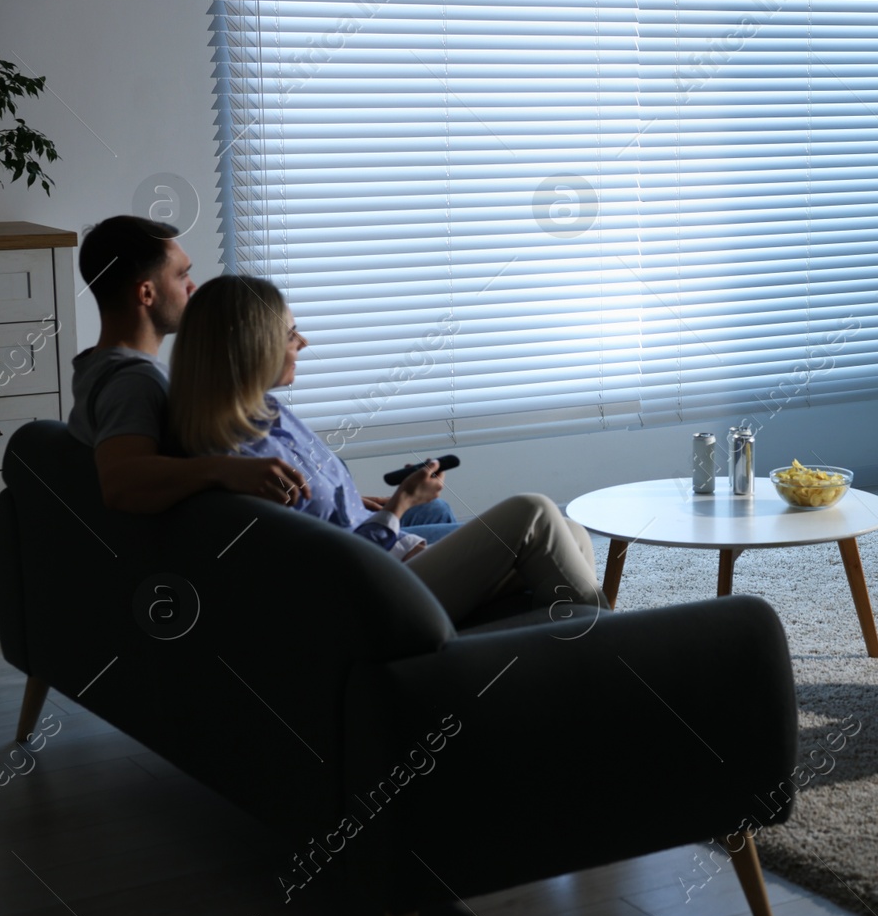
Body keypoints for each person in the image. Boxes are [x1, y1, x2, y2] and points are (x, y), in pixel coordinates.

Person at [165, 275, 603, 624]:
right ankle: (611, 650)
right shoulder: (246, 464)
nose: (303, 343)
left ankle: (556, 654)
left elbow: (331, 520)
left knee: (572, 534)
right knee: (534, 514)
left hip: (386, 558)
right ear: (253, 347)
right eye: (291, 333)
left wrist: (384, 518)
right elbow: (330, 564)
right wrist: (401, 505)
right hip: (366, 594)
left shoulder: (269, 414)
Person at [67, 215, 455, 534]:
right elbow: (121, 483)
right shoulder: (134, 382)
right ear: (147, 294)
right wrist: (229, 470)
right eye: (181, 275)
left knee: (436, 515)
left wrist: (345, 499)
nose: (193, 286)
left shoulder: (100, 367)